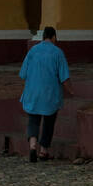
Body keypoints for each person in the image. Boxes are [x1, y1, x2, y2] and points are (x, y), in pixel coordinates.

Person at [19, 26, 72, 162]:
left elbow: (23, 74)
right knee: (49, 121)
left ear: (43, 37)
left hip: (32, 92)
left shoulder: (33, 51)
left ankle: (32, 146)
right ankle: (43, 151)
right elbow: (64, 77)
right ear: (54, 37)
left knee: (33, 120)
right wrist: (71, 91)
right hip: (50, 94)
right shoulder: (58, 53)